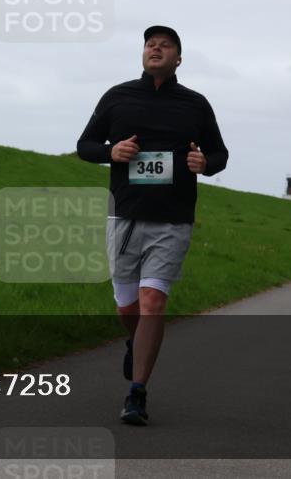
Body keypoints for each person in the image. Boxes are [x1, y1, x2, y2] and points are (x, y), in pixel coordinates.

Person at [77, 24, 229, 426]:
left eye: (165, 45)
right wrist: (113, 151)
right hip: (124, 216)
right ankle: (135, 341)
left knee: (152, 302)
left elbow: (219, 153)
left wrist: (206, 164)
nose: (156, 49)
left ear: (179, 58)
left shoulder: (195, 104)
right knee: (127, 305)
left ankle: (136, 393)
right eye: (150, 44)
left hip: (173, 219)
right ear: (143, 54)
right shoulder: (118, 97)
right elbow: (84, 146)